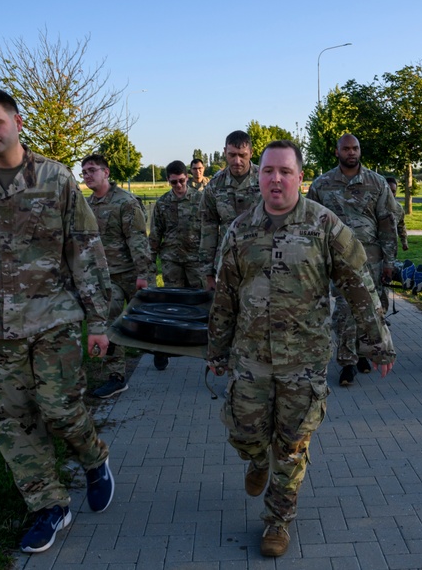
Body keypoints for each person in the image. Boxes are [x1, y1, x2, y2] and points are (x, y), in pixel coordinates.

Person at [0, 88, 115, 555]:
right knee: (11, 420)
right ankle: (49, 505)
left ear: (17, 122)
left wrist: (99, 321)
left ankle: (93, 458)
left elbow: (84, 249)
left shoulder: (57, 179)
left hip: (54, 319)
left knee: (60, 409)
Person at [207, 140, 395, 558]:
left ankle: (278, 520)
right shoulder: (240, 230)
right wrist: (216, 352)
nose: (276, 179)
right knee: (246, 434)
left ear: (300, 177)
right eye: (268, 171)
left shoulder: (325, 225)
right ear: (258, 176)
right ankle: (256, 459)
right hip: (250, 357)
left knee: (292, 445)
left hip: (304, 359)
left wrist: (378, 342)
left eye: (285, 171)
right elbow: (224, 297)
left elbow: (357, 283)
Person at [306, 133, 396, 386]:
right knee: (346, 310)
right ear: (337, 152)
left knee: (372, 308)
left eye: (355, 148)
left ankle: (364, 353)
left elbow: (387, 224)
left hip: (371, 258)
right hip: (339, 259)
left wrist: (389, 261)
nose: (351, 152)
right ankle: (347, 363)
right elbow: (310, 224)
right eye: (346, 149)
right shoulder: (321, 185)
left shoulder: (376, 183)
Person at [81, 153, 159, 384]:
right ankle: (115, 375)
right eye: (84, 172)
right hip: (108, 278)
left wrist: (144, 274)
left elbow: (138, 241)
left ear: (106, 172)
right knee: (109, 321)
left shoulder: (125, 202)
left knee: (148, 321)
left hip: (134, 273)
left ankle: (160, 350)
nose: (87, 176)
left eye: (92, 170)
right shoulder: (86, 206)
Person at [199, 130, 260, 290]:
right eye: (232, 155)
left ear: (251, 153)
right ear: (225, 152)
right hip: (227, 261)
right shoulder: (215, 185)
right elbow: (208, 229)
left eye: (242, 155)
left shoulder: (265, 180)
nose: (237, 160)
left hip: (261, 260)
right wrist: (207, 273)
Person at [149, 160, 205, 288]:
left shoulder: (201, 199)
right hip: (171, 261)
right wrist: (150, 263)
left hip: (196, 260)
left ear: (187, 177)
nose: (178, 185)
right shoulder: (162, 203)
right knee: (174, 301)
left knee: (199, 300)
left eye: (181, 181)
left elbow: (209, 231)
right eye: (174, 182)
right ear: (168, 180)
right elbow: (155, 235)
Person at [384, 175, 409, 253]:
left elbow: (401, 225)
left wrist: (404, 242)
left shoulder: (398, 208)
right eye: (389, 190)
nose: (391, 194)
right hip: (374, 247)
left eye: (393, 191)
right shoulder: (373, 205)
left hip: (391, 246)